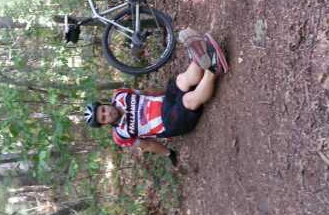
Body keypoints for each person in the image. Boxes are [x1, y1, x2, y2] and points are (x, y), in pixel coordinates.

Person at [84, 29, 229, 164]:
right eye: (103, 117)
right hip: (168, 123)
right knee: (187, 100)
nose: (107, 113)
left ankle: (202, 56)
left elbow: (147, 93)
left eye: (103, 110)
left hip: (165, 101)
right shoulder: (121, 135)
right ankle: (213, 70)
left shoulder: (120, 95)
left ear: (103, 104)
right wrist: (169, 154)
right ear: (104, 123)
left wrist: (170, 92)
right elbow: (147, 145)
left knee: (181, 81)